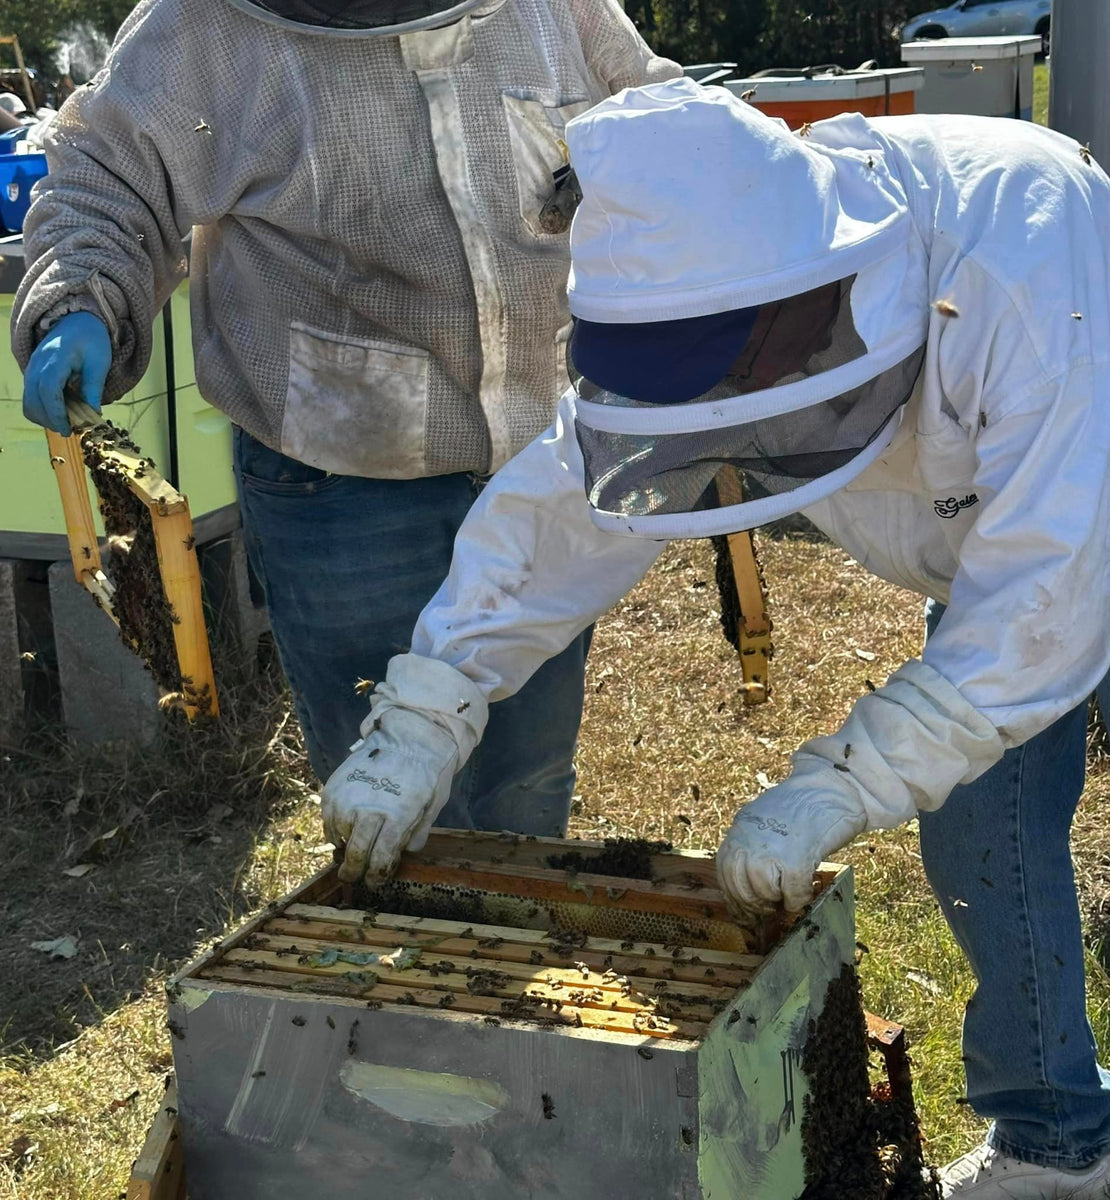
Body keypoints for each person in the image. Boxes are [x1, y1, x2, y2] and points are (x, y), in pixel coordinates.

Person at [319, 79, 1110, 1196]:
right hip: (989, 534)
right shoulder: (699, 266)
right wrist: (429, 706)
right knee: (988, 850)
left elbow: (1046, 598)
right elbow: (562, 512)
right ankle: (1056, 1153)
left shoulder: (1018, 245)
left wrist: (840, 781)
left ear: (805, 297)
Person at [13, 0, 678, 832]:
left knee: (524, 772)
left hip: (536, 469)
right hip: (335, 491)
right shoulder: (207, 26)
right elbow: (107, 173)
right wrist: (82, 295)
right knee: (387, 796)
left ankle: (506, 937)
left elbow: (661, 116)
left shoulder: (555, 8)